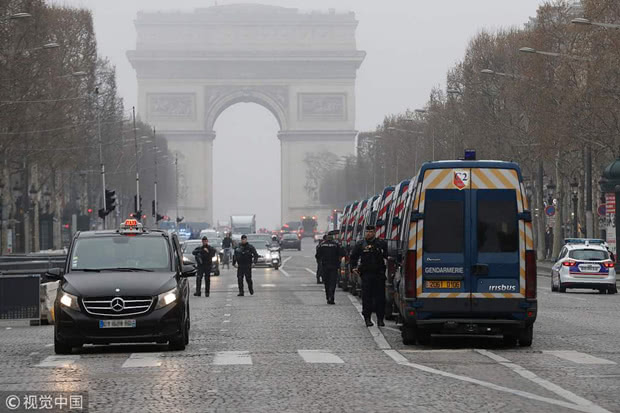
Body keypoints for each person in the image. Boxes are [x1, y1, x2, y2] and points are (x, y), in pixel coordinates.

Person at [350, 225, 388, 327]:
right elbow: (353, 257)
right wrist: (353, 267)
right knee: (367, 298)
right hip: (366, 274)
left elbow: (388, 256)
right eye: (367, 232)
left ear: (375, 233)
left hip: (379, 274)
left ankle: (380, 319)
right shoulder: (360, 244)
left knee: (380, 298)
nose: (369, 233)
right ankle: (367, 318)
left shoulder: (381, 243)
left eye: (371, 232)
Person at [315, 230, 345, 304]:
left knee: (326, 282)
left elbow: (317, 255)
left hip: (325, 266)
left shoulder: (322, 245)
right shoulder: (336, 245)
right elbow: (342, 253)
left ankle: (328, 296)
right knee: (333, 282)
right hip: (334, 266)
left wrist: (320, 261)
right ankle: (331, 297)